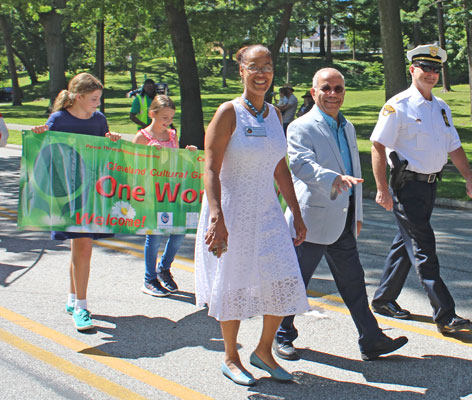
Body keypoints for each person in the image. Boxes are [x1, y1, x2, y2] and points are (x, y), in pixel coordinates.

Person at [274, 67, 408, 362]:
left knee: (354, 283)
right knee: (297, 281)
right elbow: (301, 165)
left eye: (338, 88)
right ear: (313, 92)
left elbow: (354, 173)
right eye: (326, 88)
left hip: (343, 219)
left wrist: (357, 212)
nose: (332, 94)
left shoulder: (347, 126)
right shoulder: (300, 126)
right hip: (310, 221)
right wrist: (331, 179)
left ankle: (371, 339)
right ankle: (281, 335)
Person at [195, 44, 309, 386]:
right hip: (231, 209)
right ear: (241, 71)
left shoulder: (274, 114)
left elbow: (280, 166)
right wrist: (217, 217)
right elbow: (211, 168)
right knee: (234, 281)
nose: (262, 74)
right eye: (254, 67)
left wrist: (297, 213)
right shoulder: (228, 112)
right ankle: (231, 357)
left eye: (268, 66)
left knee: (283, 277)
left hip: (267, 209)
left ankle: (263, 351)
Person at [370, 44, 472, 334]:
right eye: (425, 68)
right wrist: (381, 187)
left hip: (430, 186)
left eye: (435, 69)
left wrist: (468, 178)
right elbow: (378, 145)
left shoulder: (441, 107)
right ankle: (445, 314)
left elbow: (454, 145)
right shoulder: (398, 106)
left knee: (406, 245)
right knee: (424, 248)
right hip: (407, 187)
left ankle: (383, 299)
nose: (431, 73)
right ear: (412, 70)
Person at [32, 73, 121, 331]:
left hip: (92, 192)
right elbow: (42, 153)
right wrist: (39, 134)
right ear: (78, 97)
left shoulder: (99, 119)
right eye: (94, 99)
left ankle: (74, 300)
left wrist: (111, 140)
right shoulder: (58, 119)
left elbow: (103, 151)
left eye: (99, 99)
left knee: (80, 247)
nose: (98, 104)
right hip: (67, 193)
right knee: (81, 247)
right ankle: (81, 307)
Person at [132, 95, 197, 297]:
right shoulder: (142, 136)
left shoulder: (171, 135)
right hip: (152, 192)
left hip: (172, 191)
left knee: (178, 233)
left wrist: (188, 154)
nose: (168, 121)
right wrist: (147, 154)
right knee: (155, 236)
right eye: (164, 117)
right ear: (152, 114)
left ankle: (164, 268)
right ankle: (149, 278)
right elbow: (132, 166)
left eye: (170, 117)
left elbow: (175, 162)